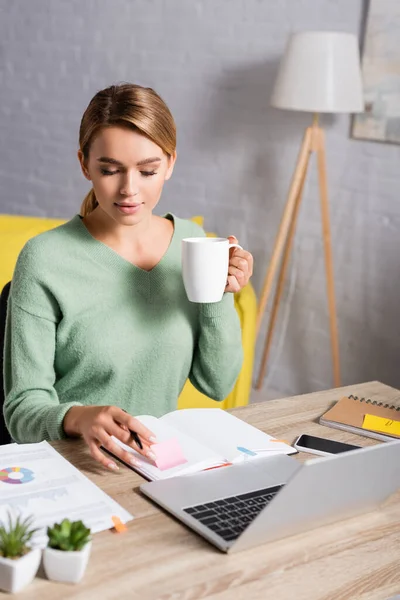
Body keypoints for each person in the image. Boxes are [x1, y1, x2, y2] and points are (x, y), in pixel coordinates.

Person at [4, 83, 253, 471]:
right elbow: (21, 411)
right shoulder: (44, 259)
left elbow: (217, 384)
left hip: (158, 462)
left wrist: (218, 292)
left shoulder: (193, 243)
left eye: (148, 170)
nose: (129, 190)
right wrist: (76, 418)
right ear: (84, 164)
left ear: (170, 162)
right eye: (109, 170)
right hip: (75, 464)